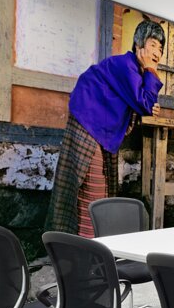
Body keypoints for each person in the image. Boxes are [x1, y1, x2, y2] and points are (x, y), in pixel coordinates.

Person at [46, 20, 164, 237]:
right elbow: (144, 103)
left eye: (161, 48)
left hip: (96, 126)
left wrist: (147, 102)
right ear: (139, 45)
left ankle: (86, 244)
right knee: (91, 185)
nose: (158, 52)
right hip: (87, 121)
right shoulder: (126, 65)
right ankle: (84, 246)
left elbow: (143, 103)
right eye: (153, 44)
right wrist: (151, 73)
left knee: (99, 185)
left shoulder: (135, 72)